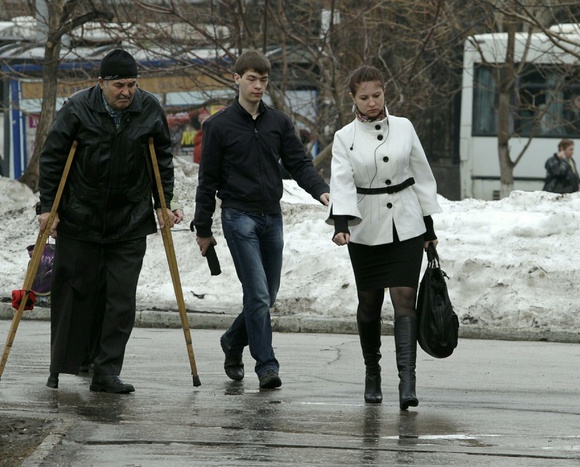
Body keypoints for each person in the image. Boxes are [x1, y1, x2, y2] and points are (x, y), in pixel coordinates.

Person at [38, 48, 175, 394]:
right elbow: (54, 157)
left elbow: (162, 158)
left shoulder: (148, 109)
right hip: (81, 217)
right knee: (76, 293)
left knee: (120, 299)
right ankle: (63, 365)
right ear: (101, 83)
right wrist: (47, 207)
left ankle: (106, 372)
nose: (126, 92)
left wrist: (163, 203)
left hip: (129, 220)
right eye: (119, 85)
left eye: (131, 84)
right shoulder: (78, 108)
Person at [193, 50, 330, 389]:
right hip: (238, 216)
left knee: (267, 293)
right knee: (256, 294)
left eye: (263, 80)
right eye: (251, 79)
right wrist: (204, 227)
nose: (257, 86)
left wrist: (322, 192)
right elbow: (207, 180)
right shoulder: (219, 125)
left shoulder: (278, 123)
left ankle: (232, 340)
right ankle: (266, 365)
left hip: (272, 215)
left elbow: (299, 164)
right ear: (236, 79)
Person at [327, 65, 442, 410]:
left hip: (406, 223)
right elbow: (342, 182)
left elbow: (421, 175)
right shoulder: (343, 137)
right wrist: (341, 224)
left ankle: (407, 382)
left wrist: (429, 228)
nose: (372, 102)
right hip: (366, 226)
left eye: (376, 95)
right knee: (370, 303)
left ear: (384, 92)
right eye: (364, 97)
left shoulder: (404, 127)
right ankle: (372, 373)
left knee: (405, 297)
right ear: (353, 99)